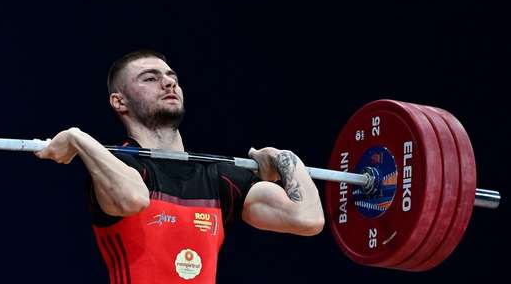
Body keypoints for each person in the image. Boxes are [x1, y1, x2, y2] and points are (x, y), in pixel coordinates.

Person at [35, 50, 324, 282]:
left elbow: (307, 220)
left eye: (171, 76)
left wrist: (282, 158)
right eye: (150, 78)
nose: (168, 82)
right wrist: (78, 138)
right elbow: (133, 200)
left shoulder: (220, 178)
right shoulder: (120, 165)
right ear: (119, 101)